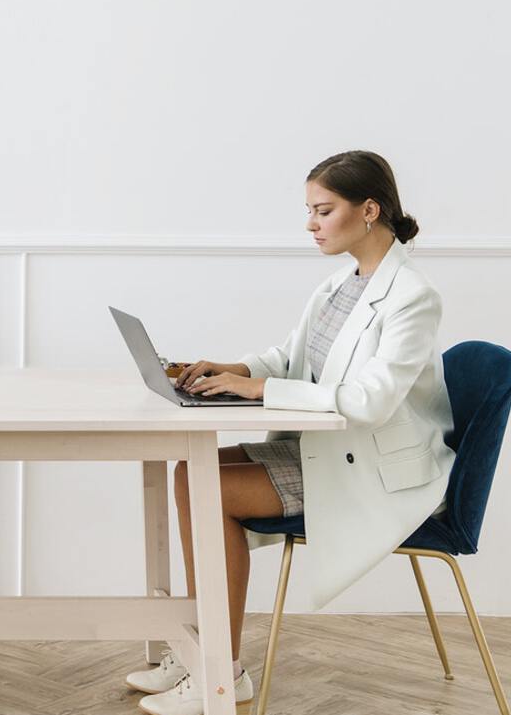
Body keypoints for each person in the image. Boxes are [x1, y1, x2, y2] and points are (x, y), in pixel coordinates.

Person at [126, 151, 455, 715]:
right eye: (310, 211)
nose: (310, 224)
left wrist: (259, 390)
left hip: (377, 470)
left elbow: (371, 399)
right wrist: (232, 370)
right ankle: (204, 651)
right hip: (330, 450)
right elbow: (289, 358)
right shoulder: (340, 286)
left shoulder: (412, 297)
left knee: (210, 489)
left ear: (369, 210)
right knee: (191, 472)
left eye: (323, 211)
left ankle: (220, 675)